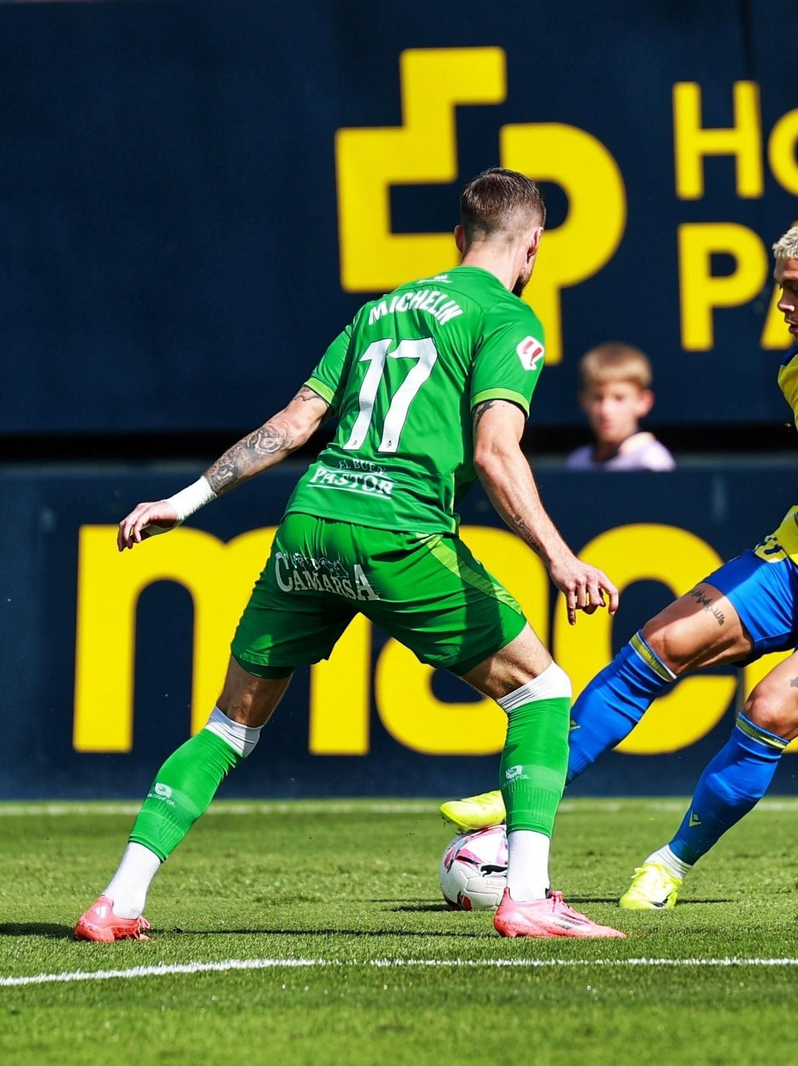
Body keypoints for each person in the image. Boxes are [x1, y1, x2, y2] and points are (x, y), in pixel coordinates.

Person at [75, 168, 626, 941]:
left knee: (229, 728)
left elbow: (294, 424)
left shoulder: (381, 311)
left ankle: (117, 902)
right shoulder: (507, 319)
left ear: (457, 238)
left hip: (311, 522)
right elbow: (498, 454)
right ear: (534, 246)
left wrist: (186, 500)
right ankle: (527, 896)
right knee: (541, 693)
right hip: (395, 529)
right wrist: (561, 559)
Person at [442, 215, 798, 909]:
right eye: (780, 289)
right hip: (797, 559)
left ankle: (670, 862)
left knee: (771, 708)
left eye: (796, 291)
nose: (781, 304)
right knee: (658, 645)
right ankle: (525, 793)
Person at [566, 343, 675, 471]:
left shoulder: (651, 461)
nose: (606, 410)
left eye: (619, 398)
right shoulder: (577, 462)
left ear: (644, 402)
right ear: (584, 400)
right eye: (598, 398)